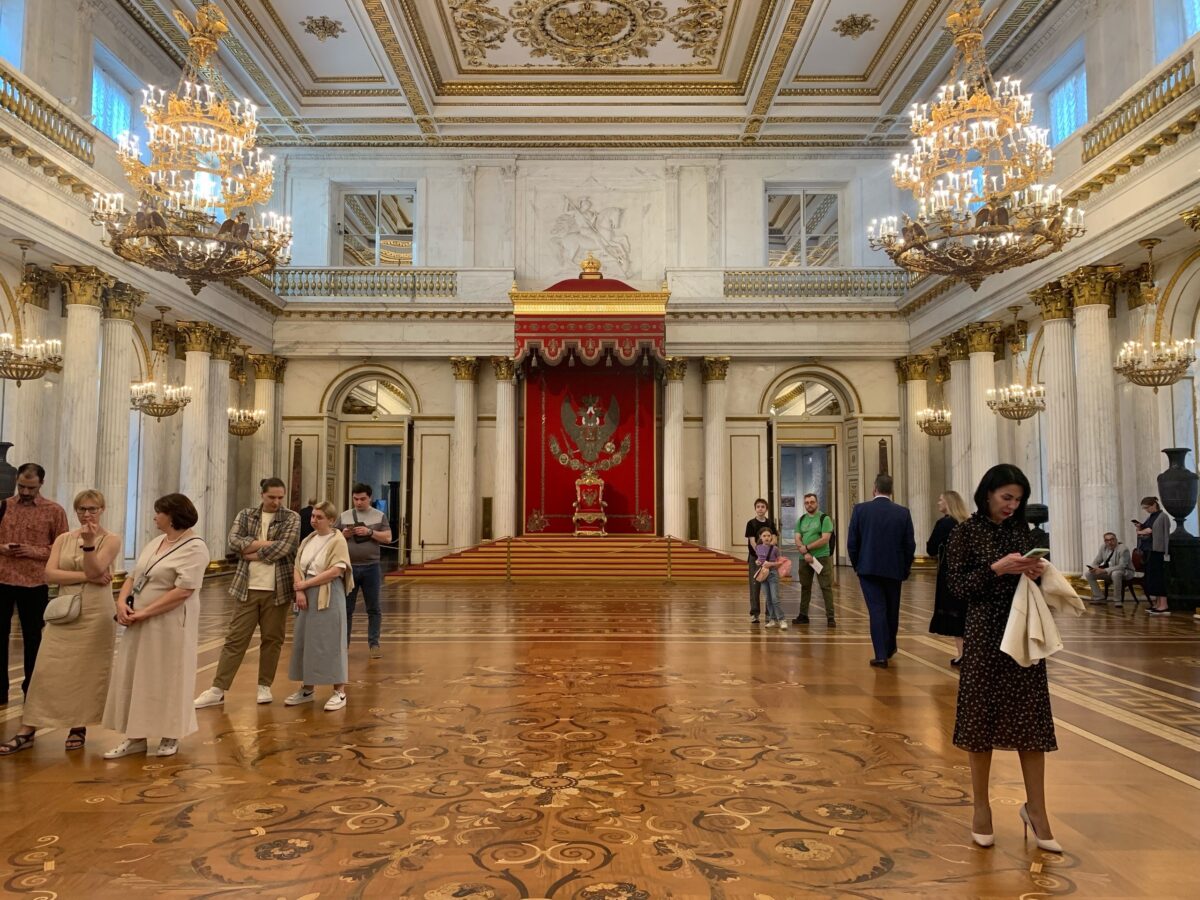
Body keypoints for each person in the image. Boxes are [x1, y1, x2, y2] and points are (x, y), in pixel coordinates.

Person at [944, 464, 1061, 853]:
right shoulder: (965, 532)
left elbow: (1036, 580)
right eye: (1006, 497)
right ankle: (981, 807)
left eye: (1018, 499)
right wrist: (997, 568)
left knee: (1032, 722)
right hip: (984, 634)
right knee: (981, 721)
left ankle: (1038, 810)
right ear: (988, 493)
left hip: (1021, 632)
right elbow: (956, 587)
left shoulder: (1022, 531)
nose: (1012, 505)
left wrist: (1035, 570)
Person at [0, 490, 120, 755]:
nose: (87, 514)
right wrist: (88, 577)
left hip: (94, 612)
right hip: (64, 610)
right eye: (82, 509)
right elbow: (50, 574)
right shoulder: (64, 538)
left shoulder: (111, 540)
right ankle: (27, 728)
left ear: (102, 509)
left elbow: (95, 568)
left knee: (86, 672)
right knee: (45, 669)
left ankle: (78, 726)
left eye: (92, 509)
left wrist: (89, 547)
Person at [102, 494, 209, 759]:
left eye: (158, 512)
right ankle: (135, 736)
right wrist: (121, 602)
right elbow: (133, 576)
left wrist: (146, 612)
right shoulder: (156, 542)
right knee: (137, 676)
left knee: (168, 677)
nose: (154, 517)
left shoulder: (195, 547)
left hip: (170, 624)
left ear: (172, 515)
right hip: (139, 620)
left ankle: (170, 733)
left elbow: (184, 590)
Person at [195, 478, 300, 709]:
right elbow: (233, 542)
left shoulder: (291, 517)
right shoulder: (246, 515)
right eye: (272, 497)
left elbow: (286, 547)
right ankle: (218, 689)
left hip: (277, 590)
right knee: (235, 640)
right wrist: (266, 544)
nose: (277, 502)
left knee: (272, 640)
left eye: (280, 497)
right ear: (262, 495)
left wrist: (251, 551)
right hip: (247, 587)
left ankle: (264, 686)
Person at [0, 463, 69, 705]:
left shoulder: (54, 511)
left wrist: (33, 551)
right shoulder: (3, 506)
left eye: (31, 487)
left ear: (41, 484)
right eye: (21, 486)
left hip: (34, 582)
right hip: (3, 579)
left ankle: (32, 688)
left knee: (33, 637)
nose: (26, 492)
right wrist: (3, 548)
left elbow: (62, 548)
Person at [288, 501, 353, 711]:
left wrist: (305, 584)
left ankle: (339, 691)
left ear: (331, 520)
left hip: (328, 593)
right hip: (305, 594)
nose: (314, 520)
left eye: (319, 517)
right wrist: (299, 590)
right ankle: (307, 688)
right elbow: (297, 565)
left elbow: (336, 570)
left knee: (330, 641)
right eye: (313, 516)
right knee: (306, 640)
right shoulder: (308, 539)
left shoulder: (338, 540)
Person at [847, 474, 915, 668]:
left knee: (877, 610)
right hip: (894, 569)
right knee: (892, 610)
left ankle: (881, 654)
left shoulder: (860, 510)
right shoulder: (903, 512)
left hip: (868, 569)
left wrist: (857, 566)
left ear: (874, 488)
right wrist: (905, 568)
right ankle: (890, 646)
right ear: (891, 490)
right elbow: (909, 544)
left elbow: (852, 543)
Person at [338, 484, 392, 658]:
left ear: (369, 498)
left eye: (362, 499)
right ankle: (343, 645)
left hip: (371, 567)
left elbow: (388, 537)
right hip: (349, 567)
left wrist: (370, 532)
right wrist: (343, 535)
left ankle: (374, 643)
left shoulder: (379, 515)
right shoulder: (344, 515)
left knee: (373, 607)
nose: (359, 502)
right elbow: (332, 537)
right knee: (346, 608)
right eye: (355, 499)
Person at [927, 490, 971, 666]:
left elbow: (931, 548)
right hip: (966, 574)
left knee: (954, 615)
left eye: (940, 500)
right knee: (965, 613)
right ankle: (967, 652)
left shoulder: (944, 523)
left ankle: (962, 653)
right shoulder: (967, 523)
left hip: (949, 574)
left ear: (949, 503)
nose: (938, 503)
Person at [792, 493, 835, 627]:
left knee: (825, 587)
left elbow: (825, 539)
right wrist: (804, 552)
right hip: (803, 558)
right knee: (805, 587)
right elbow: (797, 538)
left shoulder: (824, 518)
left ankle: (830, 617)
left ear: (817, 503)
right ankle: (803, 615)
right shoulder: (801, 520)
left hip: (821, 557)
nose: (809, 505)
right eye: (807, 503)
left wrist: (807, 548)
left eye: (812, 502)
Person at [743, 498, 778, 624]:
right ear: (755, 509)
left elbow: (774, 539)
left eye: (763, 506)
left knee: (768, 586)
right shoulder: (751, 523)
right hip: (755, 559)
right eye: (758, 506)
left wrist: (768, 553)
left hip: (769, 560)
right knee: (755, 586)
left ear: (766, 509)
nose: (760, 509)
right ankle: (754, 613)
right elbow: (752, 541)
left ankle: (769, 614)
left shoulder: (770, 523)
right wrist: (760, 554)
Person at [1135, 497, 1171, 615]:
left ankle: (1164, 604)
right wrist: (1140, 526)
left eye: (1146, 508)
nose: (1146, 510)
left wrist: (1141, 532)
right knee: (1152, 578)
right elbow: (1147, 528)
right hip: (1148, 550)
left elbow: (1157, 532)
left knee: (1159, 577)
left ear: (1153, 505)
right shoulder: (1151, 516)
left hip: (1157, 551)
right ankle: (1157, 603)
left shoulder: (1162, 516)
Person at [1084, 532, 1133, 607]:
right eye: (1107, 540)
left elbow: (1122, 566)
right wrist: (1093, 568)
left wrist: (1104, 570)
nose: (1109, 542)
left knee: (1116, 573)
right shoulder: (1103, 547)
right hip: (1110, 572)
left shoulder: (1123, 549)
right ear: (1104, 541)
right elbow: (1097, 561)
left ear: (1116, 540)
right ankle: (1099, 597)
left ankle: (1117, 600)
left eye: (1112, 540)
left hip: (1125, 572)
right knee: (1088, 574)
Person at [755, 527, 786, 629]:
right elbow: (759, 559)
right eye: (764, 536)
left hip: (773, 574)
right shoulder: (758, 547)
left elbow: (780, 562)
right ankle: (772, 619)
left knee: (775, 598)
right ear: (760, 537)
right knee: (768, 598)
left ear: (772, 537)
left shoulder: (775, 549)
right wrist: (758, 562)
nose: (767, 538)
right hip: (764, 575)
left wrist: (771, 564)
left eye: (768, 535)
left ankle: (781, 619)